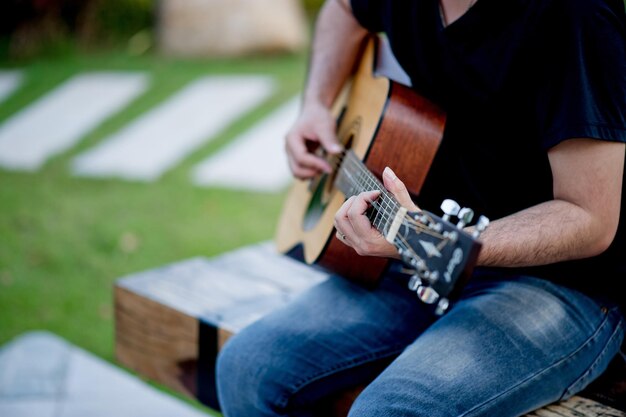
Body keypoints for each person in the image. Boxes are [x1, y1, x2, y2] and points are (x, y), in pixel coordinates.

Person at [215, 0, 626, 415]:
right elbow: (342, 8)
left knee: (387, 412)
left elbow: (589, 217)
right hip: (419, 255)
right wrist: (317, 105)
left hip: (558, 285)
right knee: (246, 367)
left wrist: (437, 243)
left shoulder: (575, 15)